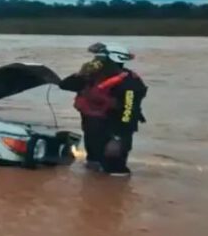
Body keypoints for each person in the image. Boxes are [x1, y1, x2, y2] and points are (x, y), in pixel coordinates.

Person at [59, 42, 147, 176]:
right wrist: (81, 74)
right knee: (92, 169)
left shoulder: (130, 83)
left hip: (115, 132)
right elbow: (65, 85)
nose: (96, 62)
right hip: (93, 130)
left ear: (113, 61)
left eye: (100, 60)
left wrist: (117, 139)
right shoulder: (91, 76)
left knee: (116, 173)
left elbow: (129, 112)